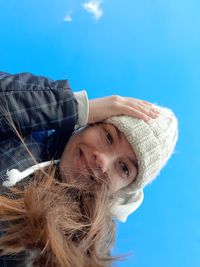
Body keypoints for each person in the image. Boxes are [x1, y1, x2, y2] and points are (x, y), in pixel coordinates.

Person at [0, 71, 178, 267]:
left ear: (124, 190)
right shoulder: (26, 131)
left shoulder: (85, 249)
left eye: (124, 168)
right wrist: (71, 106)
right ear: (89, 122)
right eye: (108, 137)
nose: (102, 161)